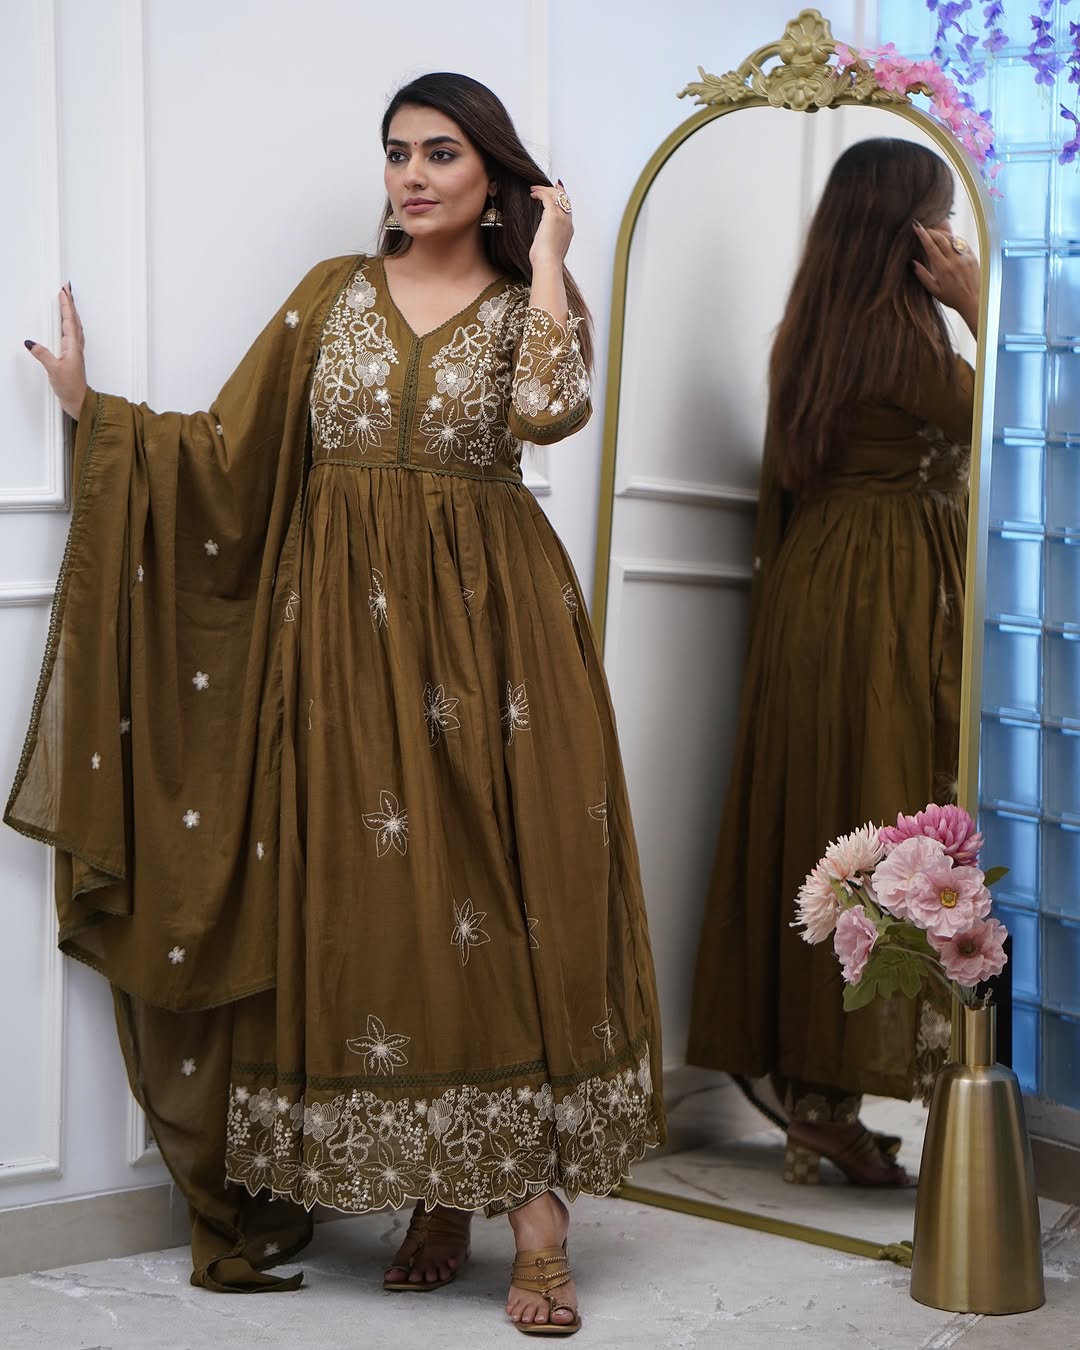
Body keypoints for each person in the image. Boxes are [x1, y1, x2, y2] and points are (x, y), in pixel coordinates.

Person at [9, 72, 664, 1335]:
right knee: (390, 909)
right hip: (347, 653)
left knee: (507, 900)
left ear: (496, 177)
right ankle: (437, 1188)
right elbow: (227, 449)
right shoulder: (331, 296)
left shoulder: (536, 300)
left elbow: (549, 410)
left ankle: (535, 1216)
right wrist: (98, 416)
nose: (412, 177)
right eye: (397, 155)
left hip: (501, 642)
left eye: (441, 155)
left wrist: (556, 256)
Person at [685, 138, 980, 1186]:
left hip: (814, 592)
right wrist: (980, 303)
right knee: (892, 817)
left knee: (828, 820)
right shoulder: (913, 351)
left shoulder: (802, 338)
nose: (950, 238)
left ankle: (821, 1099)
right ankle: (854, 1095)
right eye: (939, 219)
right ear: (908, 234)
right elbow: (1011, 423)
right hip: (891, 595)